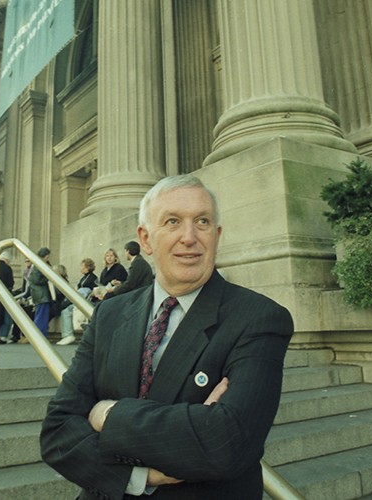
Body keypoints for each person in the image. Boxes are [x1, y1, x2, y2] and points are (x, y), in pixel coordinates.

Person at [40, 175, 294, 499]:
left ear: (216, 236)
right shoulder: (110, 315)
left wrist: (107, 415)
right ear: (146, 240)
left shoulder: (259, 318)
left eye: (202, 222)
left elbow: (227, 441)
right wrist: (140, 475)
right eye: (172, 221)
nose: (189, 237)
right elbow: (57, 431)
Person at [58, 258, 98, 346]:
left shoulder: (92, 278)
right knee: (65, 311)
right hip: (81, 300)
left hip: (86, 302)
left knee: (68, 308)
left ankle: (69, 335)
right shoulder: (84, 278)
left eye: (82, 266)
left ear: (88, 267)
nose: (80, 268)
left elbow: (86, 292)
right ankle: (67, 335)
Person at [28, 247, 53, 337]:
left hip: (39, 294)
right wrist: (47, 278)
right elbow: (36, 280)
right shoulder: (38, 265)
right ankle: (39, 335)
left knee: (41, 315)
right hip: (41, 294)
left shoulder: (35, 265)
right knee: (41, 316)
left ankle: (40, 334)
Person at [0, 251, 15, 344]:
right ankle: (2, 335)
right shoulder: (7, 268)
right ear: (7, 260)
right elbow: (10, 283)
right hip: (4, 294)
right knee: (6, 316)